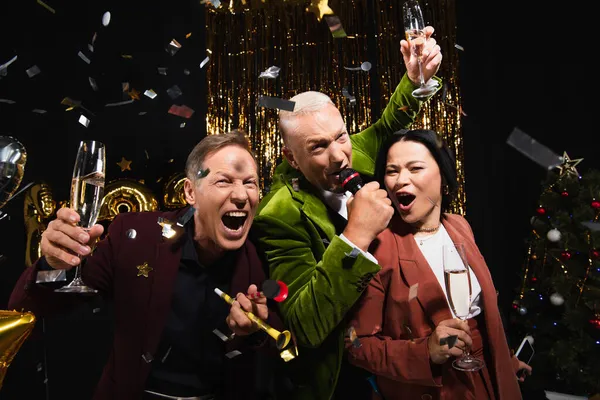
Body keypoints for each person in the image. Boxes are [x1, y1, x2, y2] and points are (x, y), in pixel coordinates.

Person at [9, 131, 282, 400]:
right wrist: (52, 264)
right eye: (223, 181)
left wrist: (257, 330)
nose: (241, 195)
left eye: (250, 183)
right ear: (191, 192)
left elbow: (283, 354)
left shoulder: (261, 254)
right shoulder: (135, 236)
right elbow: (32, 307)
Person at [251, 27, 443, 400]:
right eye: (318, 146)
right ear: (292, 157)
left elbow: (389, 124)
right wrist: (354, 237)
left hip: (402, 357)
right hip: (345, 379)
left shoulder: (355, 147)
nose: (339, 155)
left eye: (340, 136)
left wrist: (415, 80)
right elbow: (305, 325)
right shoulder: (278, 214)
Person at [345, 129, 532, 400]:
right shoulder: (379, 246)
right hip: (437, 389)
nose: (400, 181)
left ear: (443, 174)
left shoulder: (459, 226)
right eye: (392, 171)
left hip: (487, 380)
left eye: (415, 168)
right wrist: (426, 352)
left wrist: (507, 363)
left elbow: (482, 317)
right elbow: (355, 344)